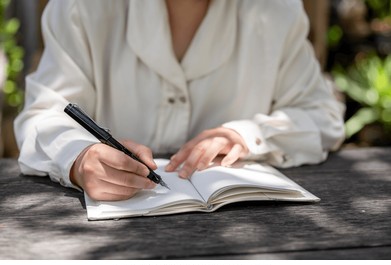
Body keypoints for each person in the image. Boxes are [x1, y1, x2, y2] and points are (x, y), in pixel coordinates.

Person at [14, 0, 345, 201]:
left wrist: (248, 135)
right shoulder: (81, 8)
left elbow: (321, 115)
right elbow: (43, 117)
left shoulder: (277, 12)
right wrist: (79, 156)